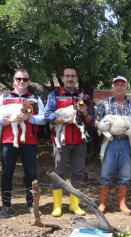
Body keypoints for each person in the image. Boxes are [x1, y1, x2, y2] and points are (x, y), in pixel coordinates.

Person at [0, 68, 46, 219]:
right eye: (19, 79)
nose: (22, 82)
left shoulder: (35, 98)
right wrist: (2, 121)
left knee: (31, 174)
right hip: (8, 141)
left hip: (30, 141)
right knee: (7, 173)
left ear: (29, 81)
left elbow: (43, 118)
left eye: (25, 79)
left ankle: (31, 205)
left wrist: (29, 119)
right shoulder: (4, 97)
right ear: (13, 80)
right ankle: (6, 207)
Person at [44, 67, 94, 217]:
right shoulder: (55, 95)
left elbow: (90, 120)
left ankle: (74, 205)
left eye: (73, 76)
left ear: (77, 79)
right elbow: (48, 115)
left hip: (80, 141)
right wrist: (67, 120)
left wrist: (85, 112)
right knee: (59, 172)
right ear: (62, 78)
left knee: (78, 173)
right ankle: (57, 206)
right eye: (67, 76)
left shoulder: (82, 96)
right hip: (61, 141)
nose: (70, 79)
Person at [94, 76, 131, 215]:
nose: (119, 87)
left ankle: (122, 204)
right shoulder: (104, 103)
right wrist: (99, 125)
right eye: (116, 85)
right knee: (106, 172)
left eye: (122, 85)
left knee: (125, 173)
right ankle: (102, 204)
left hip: (127, 141)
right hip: (110, 141)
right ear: (112, 88)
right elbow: (96, 121)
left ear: (126, 88)